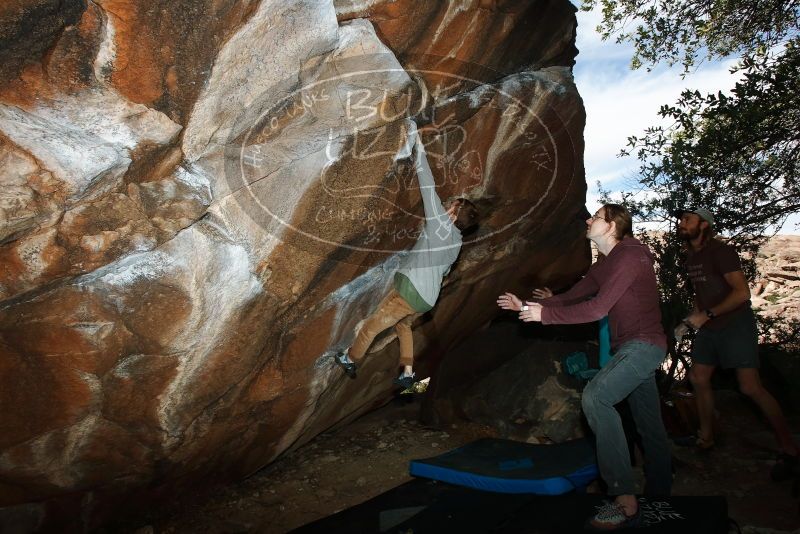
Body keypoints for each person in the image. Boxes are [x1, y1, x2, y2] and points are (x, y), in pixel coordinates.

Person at [497, 203, 671, 530]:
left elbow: (597, 308)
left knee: (596, 398)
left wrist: (544, 317)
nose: (589, 220)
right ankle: (661, 493)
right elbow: (575, 296)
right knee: (649, 426)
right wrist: (530, 306)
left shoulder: (632, 256)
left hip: (643, 345)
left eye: (596, 217)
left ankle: (623, 495)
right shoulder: (606, 264)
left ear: (612, 225)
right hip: (630, 349)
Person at [335, 131, 479, 390]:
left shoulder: (440, 223)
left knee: (372, 326)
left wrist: (417, 144)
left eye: (452, 205)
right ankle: (407, 372)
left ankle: (350, 359)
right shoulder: (457, 242)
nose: (447, 206)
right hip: (427, 300)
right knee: (403, 325)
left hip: (410, 292)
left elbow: (427, 184)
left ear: (456, 215)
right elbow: (445, 270)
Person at [673, 207, 799, 478]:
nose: (681, 223)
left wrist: (706, 315)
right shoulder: (691, 256)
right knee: (698, 377)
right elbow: (701, 293)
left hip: (734, 324)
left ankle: (789, 447)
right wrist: (690, 319)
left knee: (750, 387)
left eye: (687, 219)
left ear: (703, 225)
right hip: (708, 325)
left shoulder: (721, 252)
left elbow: (742, 294)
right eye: (681, 220)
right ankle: (706, 437)